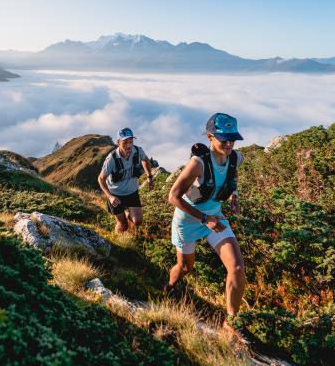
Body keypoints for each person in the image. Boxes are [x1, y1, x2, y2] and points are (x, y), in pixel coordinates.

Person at [165, 113, 249, 341]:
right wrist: (204, 218)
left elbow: (233, 177)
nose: (229, 144)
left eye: (233, 139)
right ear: (210, 137)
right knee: (185, 268)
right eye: (224, 139)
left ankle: (231, 322)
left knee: (237, 268)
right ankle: (170, 287)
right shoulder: (198, 163)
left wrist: (234, 196)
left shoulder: (236, 158)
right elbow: (173, 197)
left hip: (215, 218)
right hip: (189, 220)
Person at [98, 127, 154, 233]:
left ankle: (130, 223)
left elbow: (145, 160)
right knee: (122, 225)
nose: (129, 145)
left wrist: (150, 177)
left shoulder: (137, 151)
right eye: (125, 142)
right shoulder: (112, 159)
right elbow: (101, 178)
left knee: (137, 221)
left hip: (132, 192)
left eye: (131, 142)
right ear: (118, 142)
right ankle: (119, 240)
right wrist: (110, 197)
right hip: (116, 194)